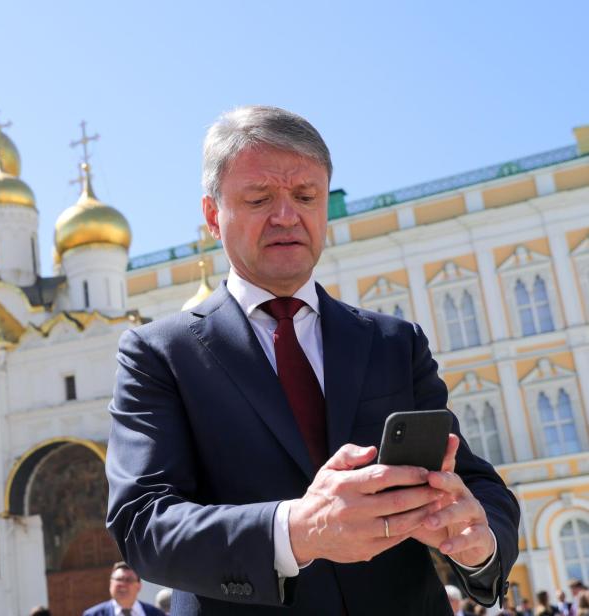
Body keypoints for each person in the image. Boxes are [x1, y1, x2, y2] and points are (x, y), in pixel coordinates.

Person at [106, 105, 520, 615]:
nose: (286, 215)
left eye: (306, 196)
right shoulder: (158, 355)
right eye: (259, 199)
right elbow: (143, 523)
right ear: (213, 216)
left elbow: (475, 481)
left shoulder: (394, 341)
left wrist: (480, 544)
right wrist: (298, 530)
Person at [82, 561, 165, 616]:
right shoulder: (93, 614)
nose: (123, 584)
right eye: (119, 579)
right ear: (111, 583)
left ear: (139, 586)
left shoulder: (156, 614)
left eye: (129, 580)